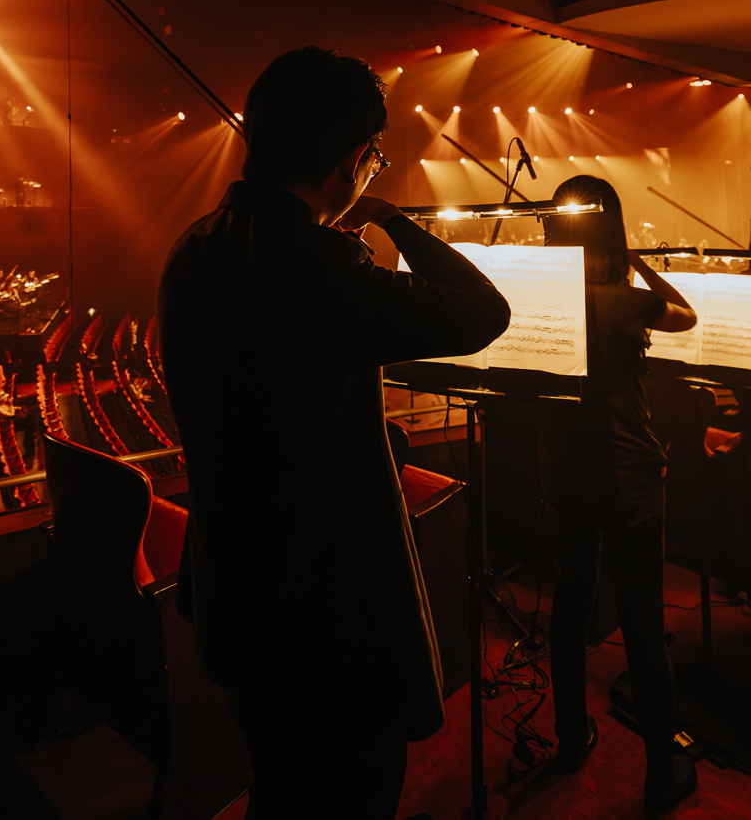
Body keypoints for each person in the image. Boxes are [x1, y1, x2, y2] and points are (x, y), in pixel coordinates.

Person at [159, 46, 510, 820]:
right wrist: (390, 219)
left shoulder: (195, 247)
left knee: (280, 785)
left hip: (239, 591)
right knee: (346, 792)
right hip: (327, 622)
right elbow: (486, 312)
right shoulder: (319, 268)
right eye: (373, 156)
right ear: (354, 158)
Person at [536, 175, 702, 814]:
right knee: (642, 620)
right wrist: (635, 260)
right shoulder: (627, 301)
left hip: (562, 471)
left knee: (570, 607)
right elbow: (686, 315)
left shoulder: (541, 305)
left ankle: (569, 739)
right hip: (628, 472)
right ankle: (660, 772)